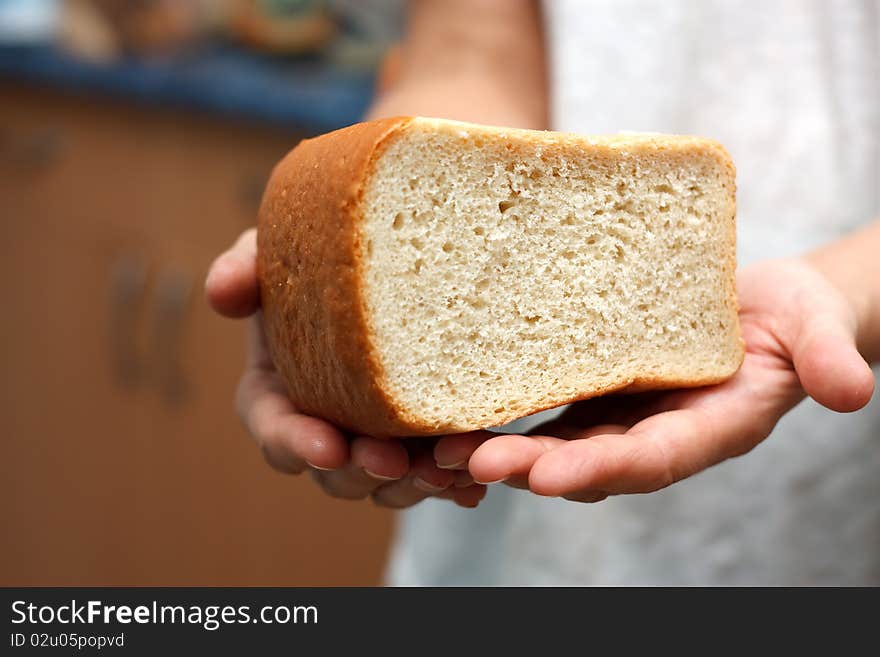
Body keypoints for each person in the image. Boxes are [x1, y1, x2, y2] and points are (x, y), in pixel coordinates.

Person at [205, 0, 880, 584]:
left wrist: (843, 291)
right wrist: (332, 251)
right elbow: (472, 56)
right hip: (493, 520)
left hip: (813, 526)